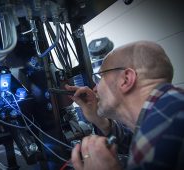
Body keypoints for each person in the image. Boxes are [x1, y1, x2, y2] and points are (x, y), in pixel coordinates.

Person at [65, 40, 184, 170]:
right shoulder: (167, 114)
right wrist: (101, 121)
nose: (95, 88)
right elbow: (133, 142)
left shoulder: (163, 131)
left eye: (101, 76)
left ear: (126, 80)